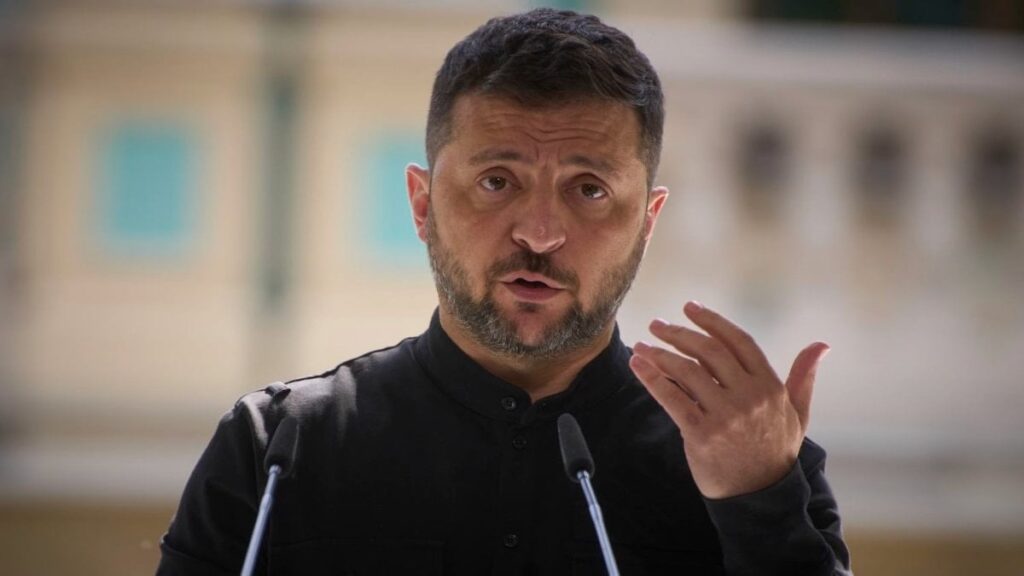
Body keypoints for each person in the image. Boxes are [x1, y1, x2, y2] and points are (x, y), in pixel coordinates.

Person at [157, 8, 852, 576]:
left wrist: (758, 503)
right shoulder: (277, 448)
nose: (541, 232)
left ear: (647, 221)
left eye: (589, 189)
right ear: (423, 204)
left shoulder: (751, 457)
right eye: (497, 181)